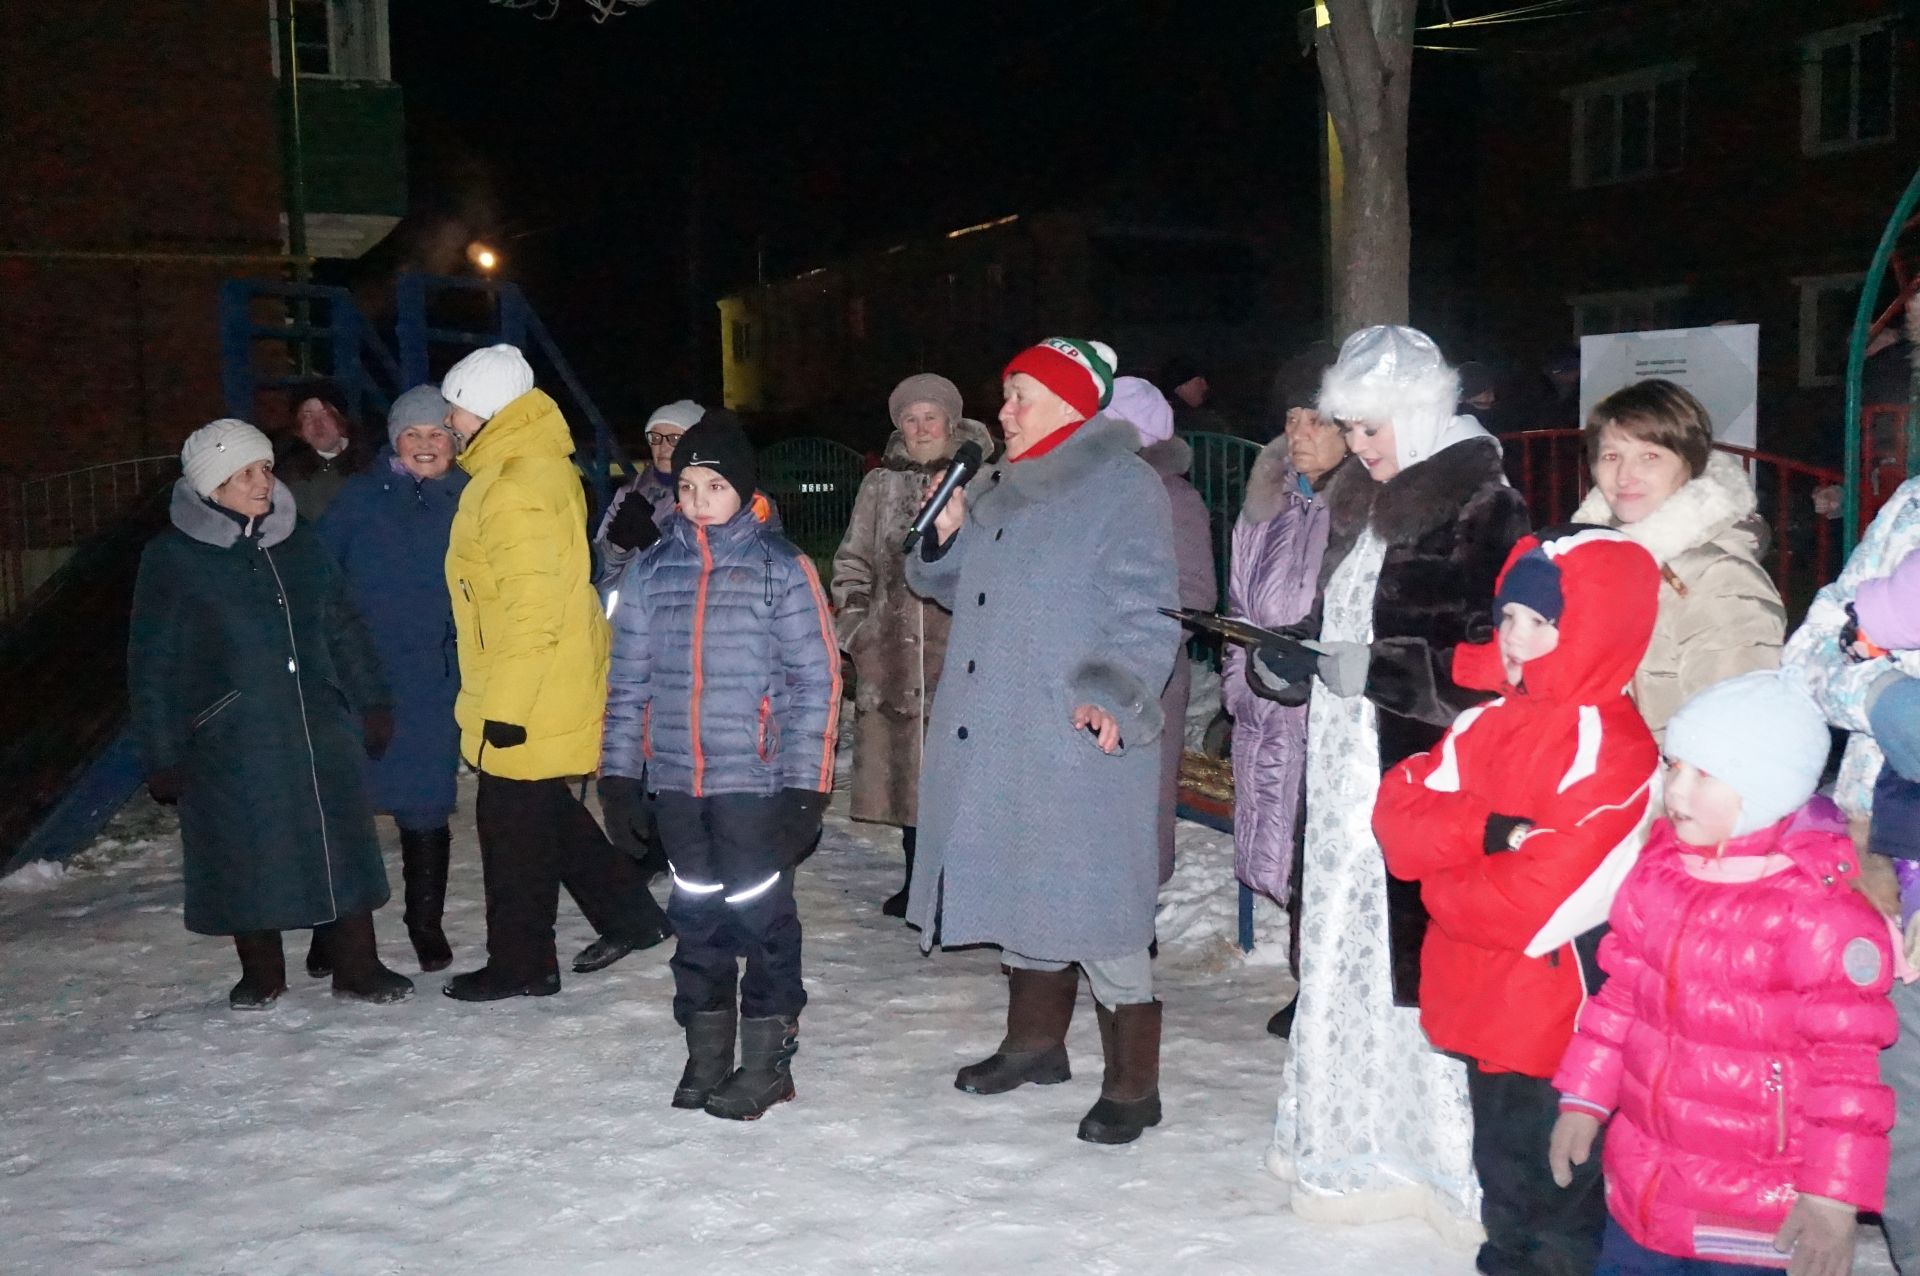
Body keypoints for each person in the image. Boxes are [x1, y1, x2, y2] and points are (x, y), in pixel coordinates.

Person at [1250, 324, 1529, 1233]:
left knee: (1418, 959)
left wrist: (1374, 670)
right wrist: (1289, 659)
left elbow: (1496, 661)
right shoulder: (1362, 499)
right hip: (1343, 761)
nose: (1359, 449)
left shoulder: (1481, 502)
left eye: (1372, 429)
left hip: (1421, 767)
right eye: (1352, 429)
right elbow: (1340, 615)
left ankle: (1435, 1165)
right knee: (1343, 942)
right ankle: (1347, 1145)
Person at [907, 337, 1180, 1146]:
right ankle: (1034, 1045)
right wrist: (948, 534)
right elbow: (949, 586)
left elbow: (1147, 608)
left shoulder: (1122, 487)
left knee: (1098, 907)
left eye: (1021, 394)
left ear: (1068, 403)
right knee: (1024, 881)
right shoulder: (999, 487)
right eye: (1007, 393)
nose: (1005, 411)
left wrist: (1112, 696)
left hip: (1075, 732)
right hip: (1001, 726)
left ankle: (1135, 1082)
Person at [1376, 526, 1662, 1276]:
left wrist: (1442, 881)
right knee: (1502, 1168)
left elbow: (1536, 902)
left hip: (1558, 1013)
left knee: (1560, 1182)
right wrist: (1488, 831)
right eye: (1508, 618)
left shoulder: (1614, 745)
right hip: (1483, 996)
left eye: (1540, 622)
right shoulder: (1485, 720)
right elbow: (1397, 818)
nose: (1516, 637)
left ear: (1594, 628)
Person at [1548, 672, 1899, 1276]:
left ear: (1764, 788)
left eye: (1704, 774)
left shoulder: (1819, 914)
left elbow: (1849, 1079)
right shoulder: (1658, 875)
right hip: (1646, 1180)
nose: (1675, 790)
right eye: (1673, 765)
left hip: (1754, 1208)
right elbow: (1621, 1001)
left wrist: (1833, 1195)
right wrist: (1584, 1097)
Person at [602, 408, 840, 1120]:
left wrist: (807, 789)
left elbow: (817, 681)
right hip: (677, 782)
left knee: (762, 919)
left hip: (755, 784)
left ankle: (768, 1060)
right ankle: (706, 1051)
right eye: (688, 488)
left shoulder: (781, 568)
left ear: (744, 491)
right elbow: (629, 682)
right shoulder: (650, 571)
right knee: (696, 918)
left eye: (715, 487)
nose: (699, 501)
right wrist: (619, 777)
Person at [129, 419, 412, 1009]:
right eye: (248, 473)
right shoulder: (173, 559)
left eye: (265, 469)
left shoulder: (299, 540)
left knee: (339, 843)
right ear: (212, 484)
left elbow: (342, 625)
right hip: (230, 734)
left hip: (317, 723)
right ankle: (261, 971)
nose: (264, 482)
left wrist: (372, 699)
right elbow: (152, 661)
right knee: (244, 849)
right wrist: (162, 753)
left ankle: (357, 965)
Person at [437, 343, 673, 1002]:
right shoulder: (529, 468)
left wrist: (505, 709)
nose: (449, 421)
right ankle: (631, 915)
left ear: (486, 411)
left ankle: (523, 964)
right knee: (542, 812)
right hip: (543, 680)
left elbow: (531, 610)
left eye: (456, 408)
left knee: (510, 831)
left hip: (528, 690)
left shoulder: (515, 486)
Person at [1786, 506, 1920, 1276]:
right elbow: (1809, 656)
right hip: (1892, 862)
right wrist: (1879, 701)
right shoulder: (1911, 509)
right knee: (1905, 1125)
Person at [310, 386, 467, 975]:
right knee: (346, 806)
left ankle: (424, 923)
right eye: (412, 434)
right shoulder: (360, 498)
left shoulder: (470, 499)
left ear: (452, 442)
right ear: (394, 441)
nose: (425, 446)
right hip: (365, 672)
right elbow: (321, 574)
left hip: (434, 676)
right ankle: (335, 925)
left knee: (425, 804)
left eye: (436, 435)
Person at [829, 374, 991, 918]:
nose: (921, 429)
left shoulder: (987, 480)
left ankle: (958, 887)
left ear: (952, 421)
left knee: (959, 776)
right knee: (908, 782)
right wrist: (858, 629)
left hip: (960, 656)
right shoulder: (879, 485)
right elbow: (853, 561)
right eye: (910, 419)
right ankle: (918, 880)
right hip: (893, 658)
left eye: (931, 417)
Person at [1224, 342, 1344, 1039]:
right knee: (1292, 851)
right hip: (1268, 712)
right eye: (1293, 419)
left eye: (1316, 421)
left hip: (1325, 714)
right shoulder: (1267, 507)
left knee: (1324, 845)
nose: (1298, 435)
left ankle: (1329, 985)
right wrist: (1241, 691)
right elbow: (1239, 606)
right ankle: (1309, 978)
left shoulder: (1357, 510)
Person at [1570, 379, 1784, 744]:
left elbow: (1731, 737)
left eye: (1649, 456)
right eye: (1611, 456)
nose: (1624, 475)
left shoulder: (1720, 580)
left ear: (1690, 464)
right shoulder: (1586, 561)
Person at [1109, 375, 1216, 884]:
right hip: (1089, 674)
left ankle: (1137, 915)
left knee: (1142, 799)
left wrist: (1137, 653)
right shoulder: (1098, 494)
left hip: (1147, 681)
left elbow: (1194, 594)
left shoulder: (1173, 498)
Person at [594, 398, 703, 588]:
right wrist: (615, 552)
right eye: (655, 437)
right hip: (628, 613)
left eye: (675, 439)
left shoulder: (708, 497)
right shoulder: (629, 493)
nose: (663, 447)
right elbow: (601, 575)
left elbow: (713, 574)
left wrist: (654, 545)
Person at [278, 383, 371, 521]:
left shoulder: (371, 467)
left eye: (325, 414)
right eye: (307, 416)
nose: (317, 424)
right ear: (300, 429)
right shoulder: (289, 474)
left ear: (341, 420)